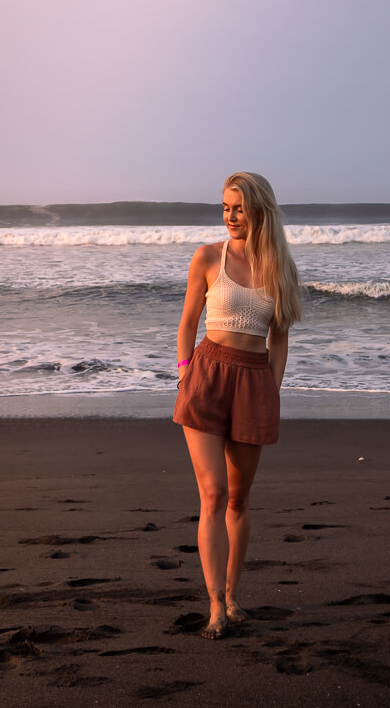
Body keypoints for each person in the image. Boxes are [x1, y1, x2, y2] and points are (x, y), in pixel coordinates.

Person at [173, 172, 301, 639]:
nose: (230, 216)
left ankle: (231, 595)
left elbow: (279, 340)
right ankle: (213, 608)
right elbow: (188, 323)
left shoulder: (279, 268)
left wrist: (273, 388)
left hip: (253, 383)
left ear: (259, 210)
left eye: (239, 208)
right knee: (212, 494)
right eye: (225, 207)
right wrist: (186, 373)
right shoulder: (208, 257)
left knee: (239, 499)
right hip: (206, 377)